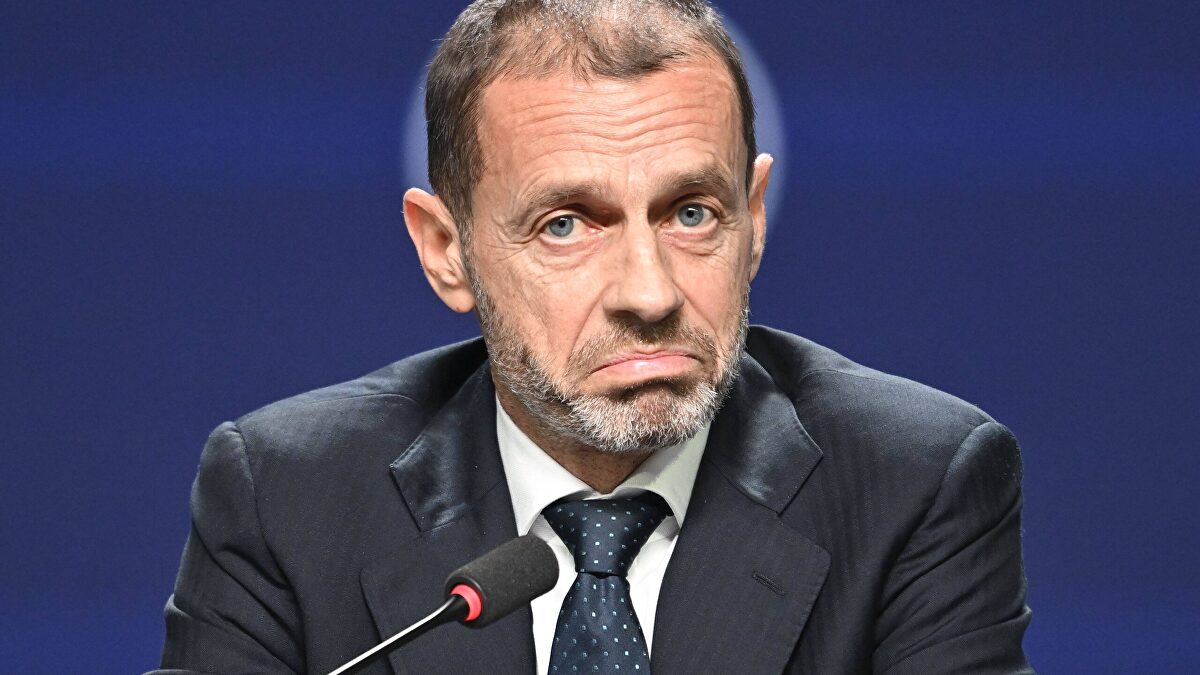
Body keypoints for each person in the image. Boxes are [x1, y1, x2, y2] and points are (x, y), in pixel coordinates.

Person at [153, 1, 1033, 673]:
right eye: (567, 225)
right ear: (447, 251)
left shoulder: (914, 482)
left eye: (692, 213)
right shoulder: (286, 496)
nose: (649, 293)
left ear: (755, 219)